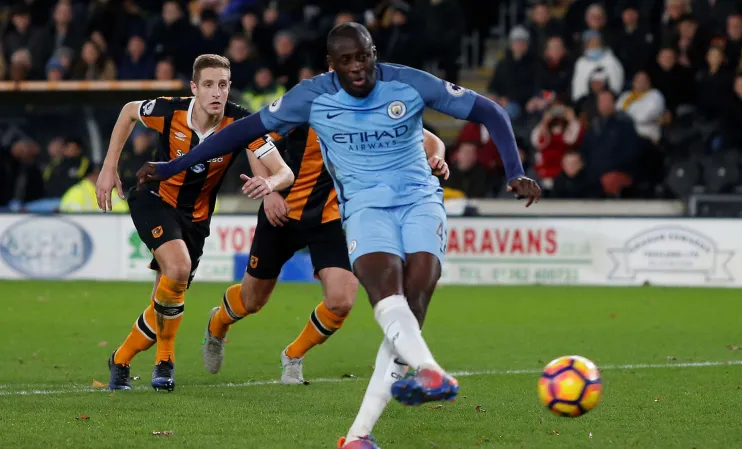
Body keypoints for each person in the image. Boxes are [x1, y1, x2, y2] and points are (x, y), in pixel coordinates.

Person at [136, 23, 540, 448]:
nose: (358, 68)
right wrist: (172, 167)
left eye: (364, 57)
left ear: (374, 53)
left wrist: (513, 171)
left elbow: (485, 114)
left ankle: (360, 427)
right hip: (333, 209)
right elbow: (245, 133)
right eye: (346, 61)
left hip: (408, 202)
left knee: (405, 299)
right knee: (293, 297)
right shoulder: (309, 98)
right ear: (332, 66)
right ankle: (423, 372)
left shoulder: (408, 84)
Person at [96, 54, 295, 392]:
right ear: (194, 88)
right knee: (177, 268)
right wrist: (108, 166)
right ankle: (165, 363)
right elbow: (130, 109)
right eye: (208, 85)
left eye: (223, 85)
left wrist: (270, 185)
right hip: (154, 199)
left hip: (197, 219)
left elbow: (284, 172)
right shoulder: (170, 111)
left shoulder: (241, 123)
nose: (216, 92)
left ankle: (121, 359)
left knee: (164, 300)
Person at [201, 126, 448, 385]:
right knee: (252, 301)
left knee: (341, 301)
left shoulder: (377, 111)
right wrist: (270, 193)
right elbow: (255, 140)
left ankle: (293, 355)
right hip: (282, 212)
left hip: (332, 219)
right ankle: (217, 323)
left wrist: (437, 159)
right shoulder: (306, 107)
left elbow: (433, 142)